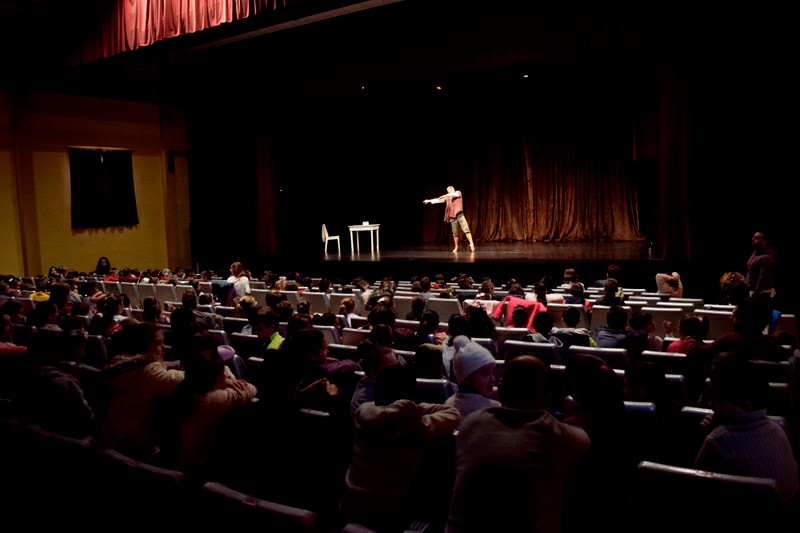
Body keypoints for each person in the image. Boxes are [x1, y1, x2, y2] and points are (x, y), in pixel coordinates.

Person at [447, 355, 590, 533]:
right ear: (547, 398)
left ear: (500, 390)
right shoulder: (558, 435)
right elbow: (587, 438)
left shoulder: (471, 423)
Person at [341, 364, 461, 531]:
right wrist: (413, 408)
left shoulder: (363, 414)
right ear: (410, 397)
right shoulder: (413, 426)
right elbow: (452, 414)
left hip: (351, 502)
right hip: (387, 510)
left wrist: (409, 408)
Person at [694, 352, 798, 505]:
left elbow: (695, 486)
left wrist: (705, 434)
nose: (710, 405)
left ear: (746, 404)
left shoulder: (716, 441)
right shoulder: (778, 429)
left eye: (718, 400)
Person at [445, 336, 500, 425]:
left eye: (492, 372)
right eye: (485, 373)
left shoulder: (448, 404)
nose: (492, 379)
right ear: (467, 378)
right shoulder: (493, 409)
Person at [423, 185, 476, 253]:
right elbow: (438, 200)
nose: (449, 192)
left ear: (453, 190)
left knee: (466, 229)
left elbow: (453, 194)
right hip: (452, 216)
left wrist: (445, 195)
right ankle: (456, 246)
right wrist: (429, 200)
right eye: (448, 191)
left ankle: (471, 243)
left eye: (450, 191)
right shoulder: (447, 197)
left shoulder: (458, 193)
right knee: (455, 233)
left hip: (459, 214)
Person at [746, 230, 776, 303]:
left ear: (764, 242)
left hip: (761, 294)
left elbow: (763, 277)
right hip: (754, 292)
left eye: (756, 238)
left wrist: (756, 292)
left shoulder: (766, 257)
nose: (752, 239)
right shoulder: (756, 252)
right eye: (753, 237)